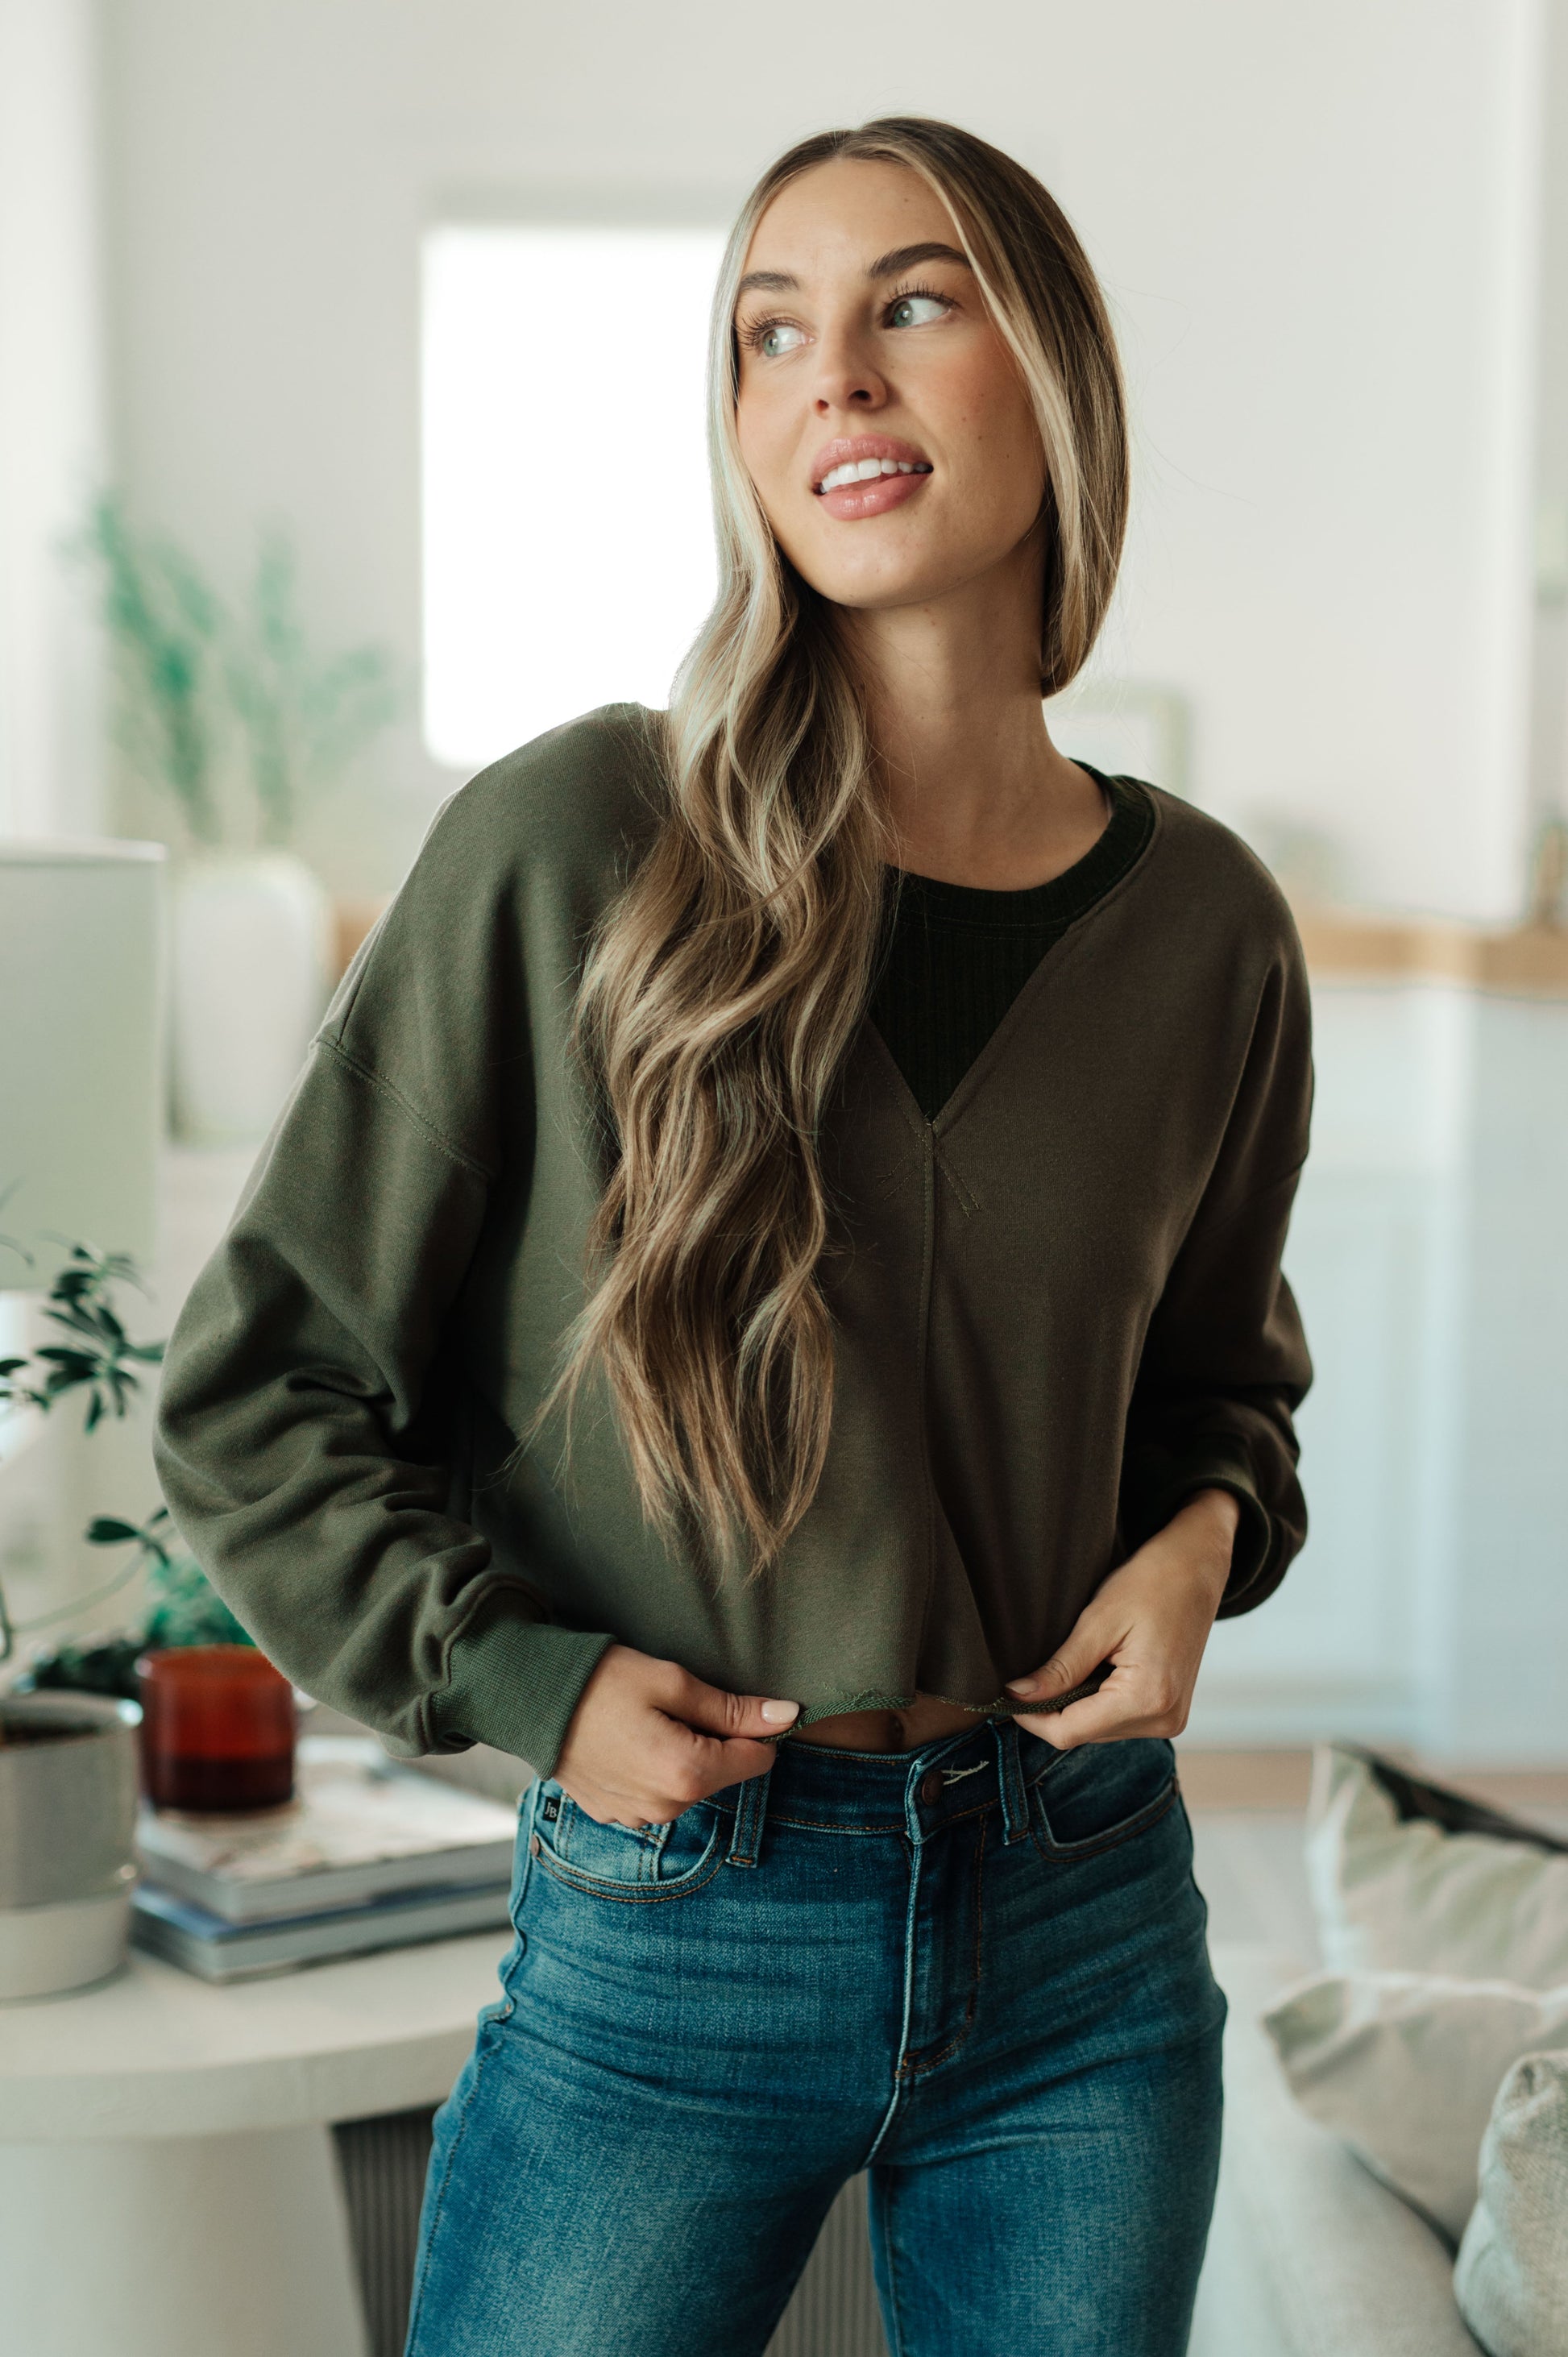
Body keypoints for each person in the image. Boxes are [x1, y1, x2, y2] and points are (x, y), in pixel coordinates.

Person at [154, 115, 1313, 2357]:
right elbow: (255, 1396)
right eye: (769, 332)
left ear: (1052, 377)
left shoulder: (1203, 930)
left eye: (909, 305)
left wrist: (1198, 1542)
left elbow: (1218, 1390)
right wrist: (527, 1687)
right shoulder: (567, 844)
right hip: (679, 1919)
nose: (829, 383)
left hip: (1086, 1928)